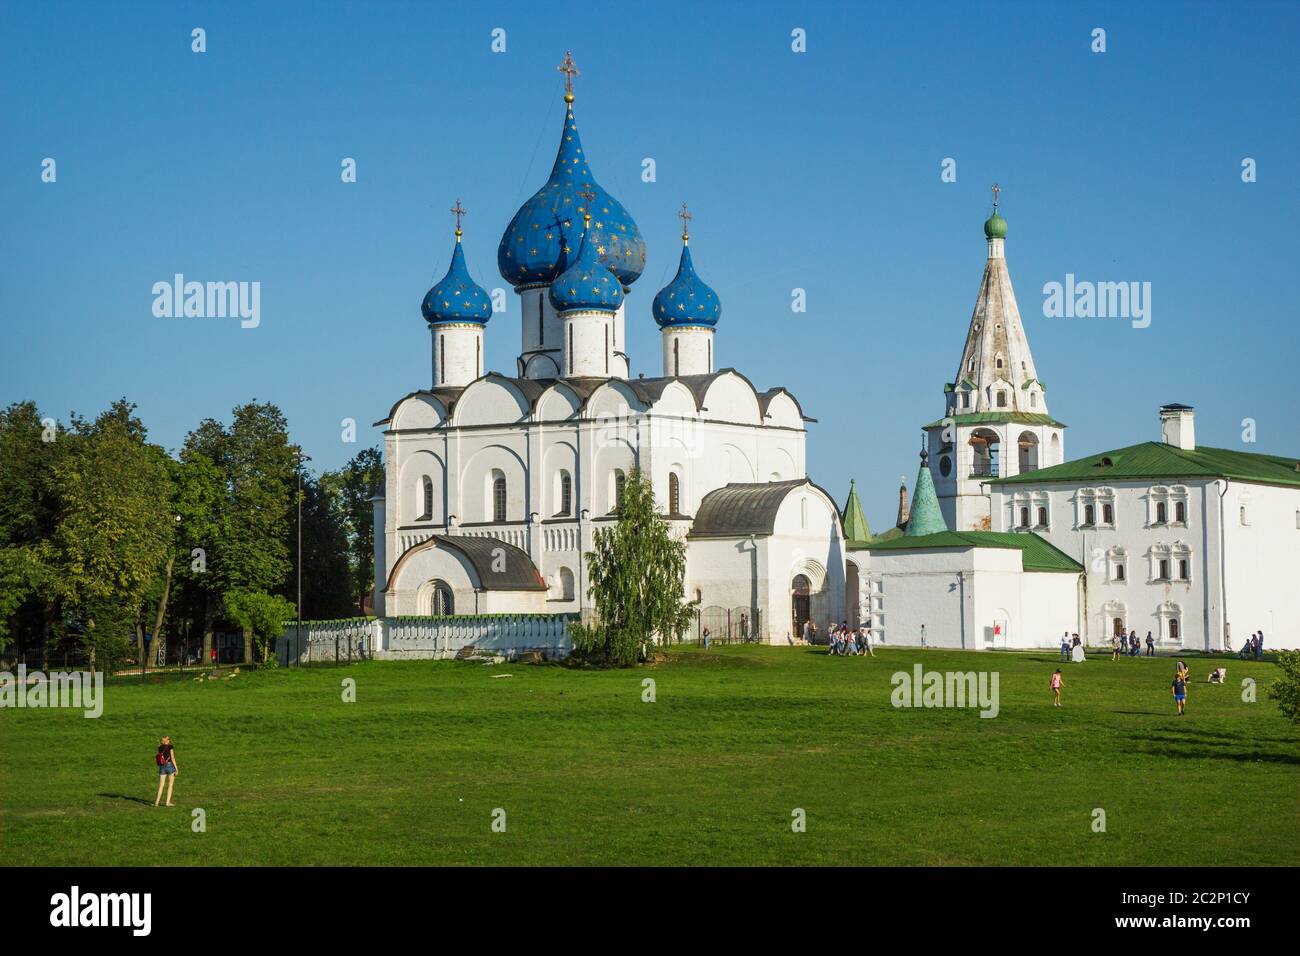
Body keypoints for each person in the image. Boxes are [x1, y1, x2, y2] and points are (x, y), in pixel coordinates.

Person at [154, 735, 178, 807]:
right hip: (170, 765)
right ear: (168, 740)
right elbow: (172, 758)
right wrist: (176, 768)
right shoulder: (170, 747)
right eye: (169, 739)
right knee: (170, 785)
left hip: (162, 766)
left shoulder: (159, 747)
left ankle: (156, 802)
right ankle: (167, 803)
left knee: (161, 785)